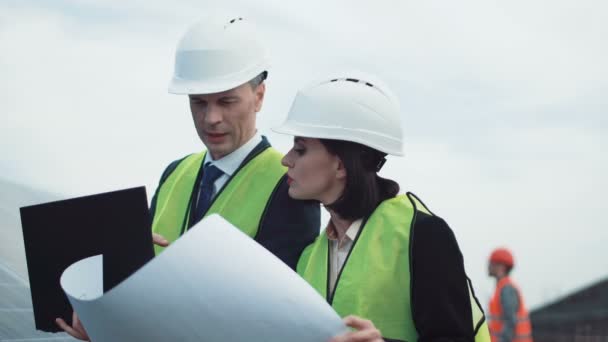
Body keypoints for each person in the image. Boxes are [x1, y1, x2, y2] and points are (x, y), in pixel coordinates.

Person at [55, 16, 320, 340]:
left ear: (259, 96)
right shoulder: (176, 172)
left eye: (226, 101)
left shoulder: (290, 185)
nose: (211, 118)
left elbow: (276, 319)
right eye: (199, 103)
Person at [273, 72, 491, 342]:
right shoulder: (310, 256)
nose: (286, 159)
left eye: (300, 149)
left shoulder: (423, 236)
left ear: (340, 164)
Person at [487, 248, 533, 342]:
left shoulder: (507, 289)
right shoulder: (501, 288)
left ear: (501, 266)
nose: (488, 266)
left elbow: (510, 322)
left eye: (492, 263)